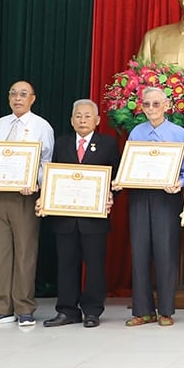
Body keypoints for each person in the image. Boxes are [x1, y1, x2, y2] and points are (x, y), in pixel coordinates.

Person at [0, 80, 54, 328]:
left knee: (25, 253)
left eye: (23, 94)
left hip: (25, 195)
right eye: (13, 94)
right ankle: (0, 307)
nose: (17, 98)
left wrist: (35, 182)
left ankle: (24, 307)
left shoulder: (42, 126)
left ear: (33, 98)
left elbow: (46, 162)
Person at [118, 86, 184, 327]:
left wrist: (179, 183)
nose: (151, 108)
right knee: (140, 253)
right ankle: (142, 311)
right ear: (141, 107)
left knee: (166, 252)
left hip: (166, 198)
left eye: (156, 104)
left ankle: (165, 310)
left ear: (166, 105)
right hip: (140, 197)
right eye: (146, 104)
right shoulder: (136, 132)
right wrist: (121, 180)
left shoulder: (178, 133)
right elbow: (127, 166)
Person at [39, 99, 120, 329]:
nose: (82, 120)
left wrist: (111, 197)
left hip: (94, 218)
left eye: (87, 116)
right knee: (66, 265)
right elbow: (54, 177)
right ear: (71, 120)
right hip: (65, 218)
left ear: (97, 120)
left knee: (94, 267)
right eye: (78, 116)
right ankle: (67, 310)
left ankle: (93, 311)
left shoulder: (108, 144)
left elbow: (116, 179)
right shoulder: (62, 143)